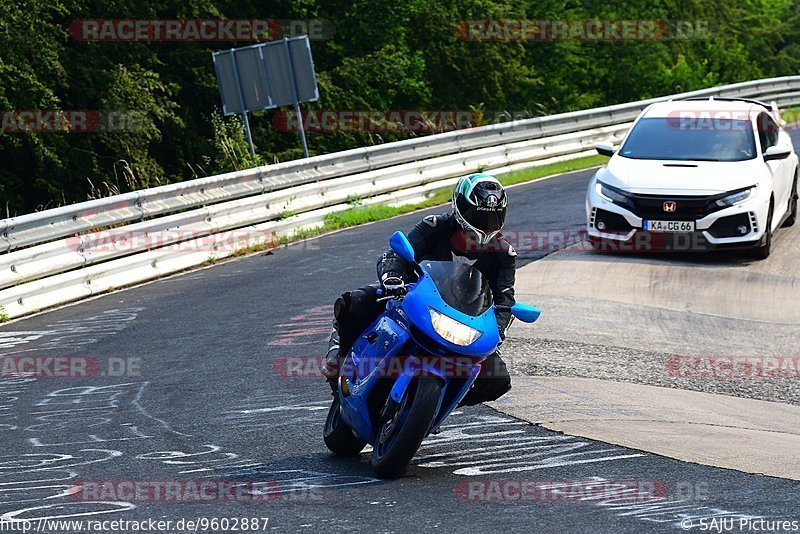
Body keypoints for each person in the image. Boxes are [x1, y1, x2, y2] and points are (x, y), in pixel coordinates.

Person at [322, 173, 517, 406]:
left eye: (493, 218)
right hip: (411, 298)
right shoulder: (434, 226)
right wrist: (392, 277)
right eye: (478, 216)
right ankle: (339, 360)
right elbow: (396, 254)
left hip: (464, 320)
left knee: (498, 379)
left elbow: (505, 299)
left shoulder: (503, 253)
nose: (485, 225)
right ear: (460, 208)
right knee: (354, 302)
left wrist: (498, 329)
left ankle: (439, 404)